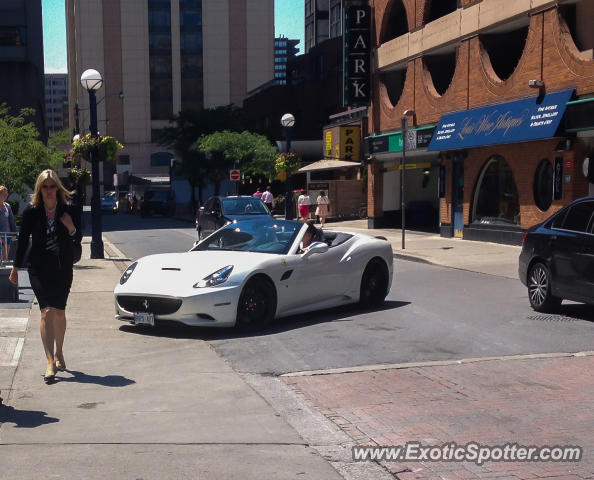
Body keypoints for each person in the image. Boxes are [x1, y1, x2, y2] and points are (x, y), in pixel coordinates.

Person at [8, 170, 82, 385]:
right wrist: (15, 267)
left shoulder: (69, 210)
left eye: (52, 186)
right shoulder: (32, 211)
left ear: (58, 188)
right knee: (46, 311)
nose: (49, 190)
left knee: (59, 311)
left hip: (62, 268)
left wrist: (70, 227)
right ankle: (49, 361)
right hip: (38, 268)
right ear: (39, 189)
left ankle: (59, 351)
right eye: (45, 186)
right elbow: (23, 242)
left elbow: (79, 237)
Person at [0, 186, 17, 261]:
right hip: (1, 235)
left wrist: (15, 234)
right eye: (4, 194)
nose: (6, 196)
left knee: (5, 257)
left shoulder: (7, 206)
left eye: (6, 194)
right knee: (2, 256)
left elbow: (12, 221)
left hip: (8, 235)